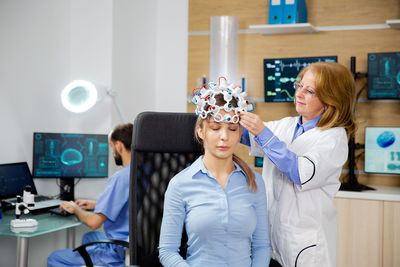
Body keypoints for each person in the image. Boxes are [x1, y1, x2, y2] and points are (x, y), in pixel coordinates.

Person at [239, 62, 356, 267]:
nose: (299, 94)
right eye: (299, 86)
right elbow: (248, 136)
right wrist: (221, 115)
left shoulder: (333, 139)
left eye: (309, 91)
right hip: (272, 240)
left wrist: (263, 133)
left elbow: (300, 172)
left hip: (304, 246)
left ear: (330, 100)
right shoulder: (287, 125)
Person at [158, 78, 271, 267]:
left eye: (232, 129)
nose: (224, 137)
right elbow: (167, 251)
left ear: (240, 133)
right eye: (215, 128)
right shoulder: (180, 184)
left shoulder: (255, 182)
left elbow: (262, 246)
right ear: (201, 131)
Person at [47, 123, 134, 267]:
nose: (112, 152)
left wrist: (75, 209)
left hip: (120, 252)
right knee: (89, 237)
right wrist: (97, 205)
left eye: (111, 147)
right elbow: (130, 202)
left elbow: (94, 223)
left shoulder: (121, 177)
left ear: (119, 146)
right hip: (135, 245)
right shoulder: (144, 171)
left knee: (55, 258)